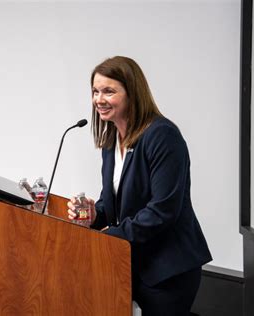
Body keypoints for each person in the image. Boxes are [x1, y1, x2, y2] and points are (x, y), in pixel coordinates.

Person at [67, 56, 212, 316]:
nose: (99, 99)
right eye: (95, 91)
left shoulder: (162, 135)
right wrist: (94, 214)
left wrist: (109, 235)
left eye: (109, 91)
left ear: (132, 93)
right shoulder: (112, 139)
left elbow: (163, 210)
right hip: (132, 263)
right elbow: (113, 204)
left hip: (168, 270)